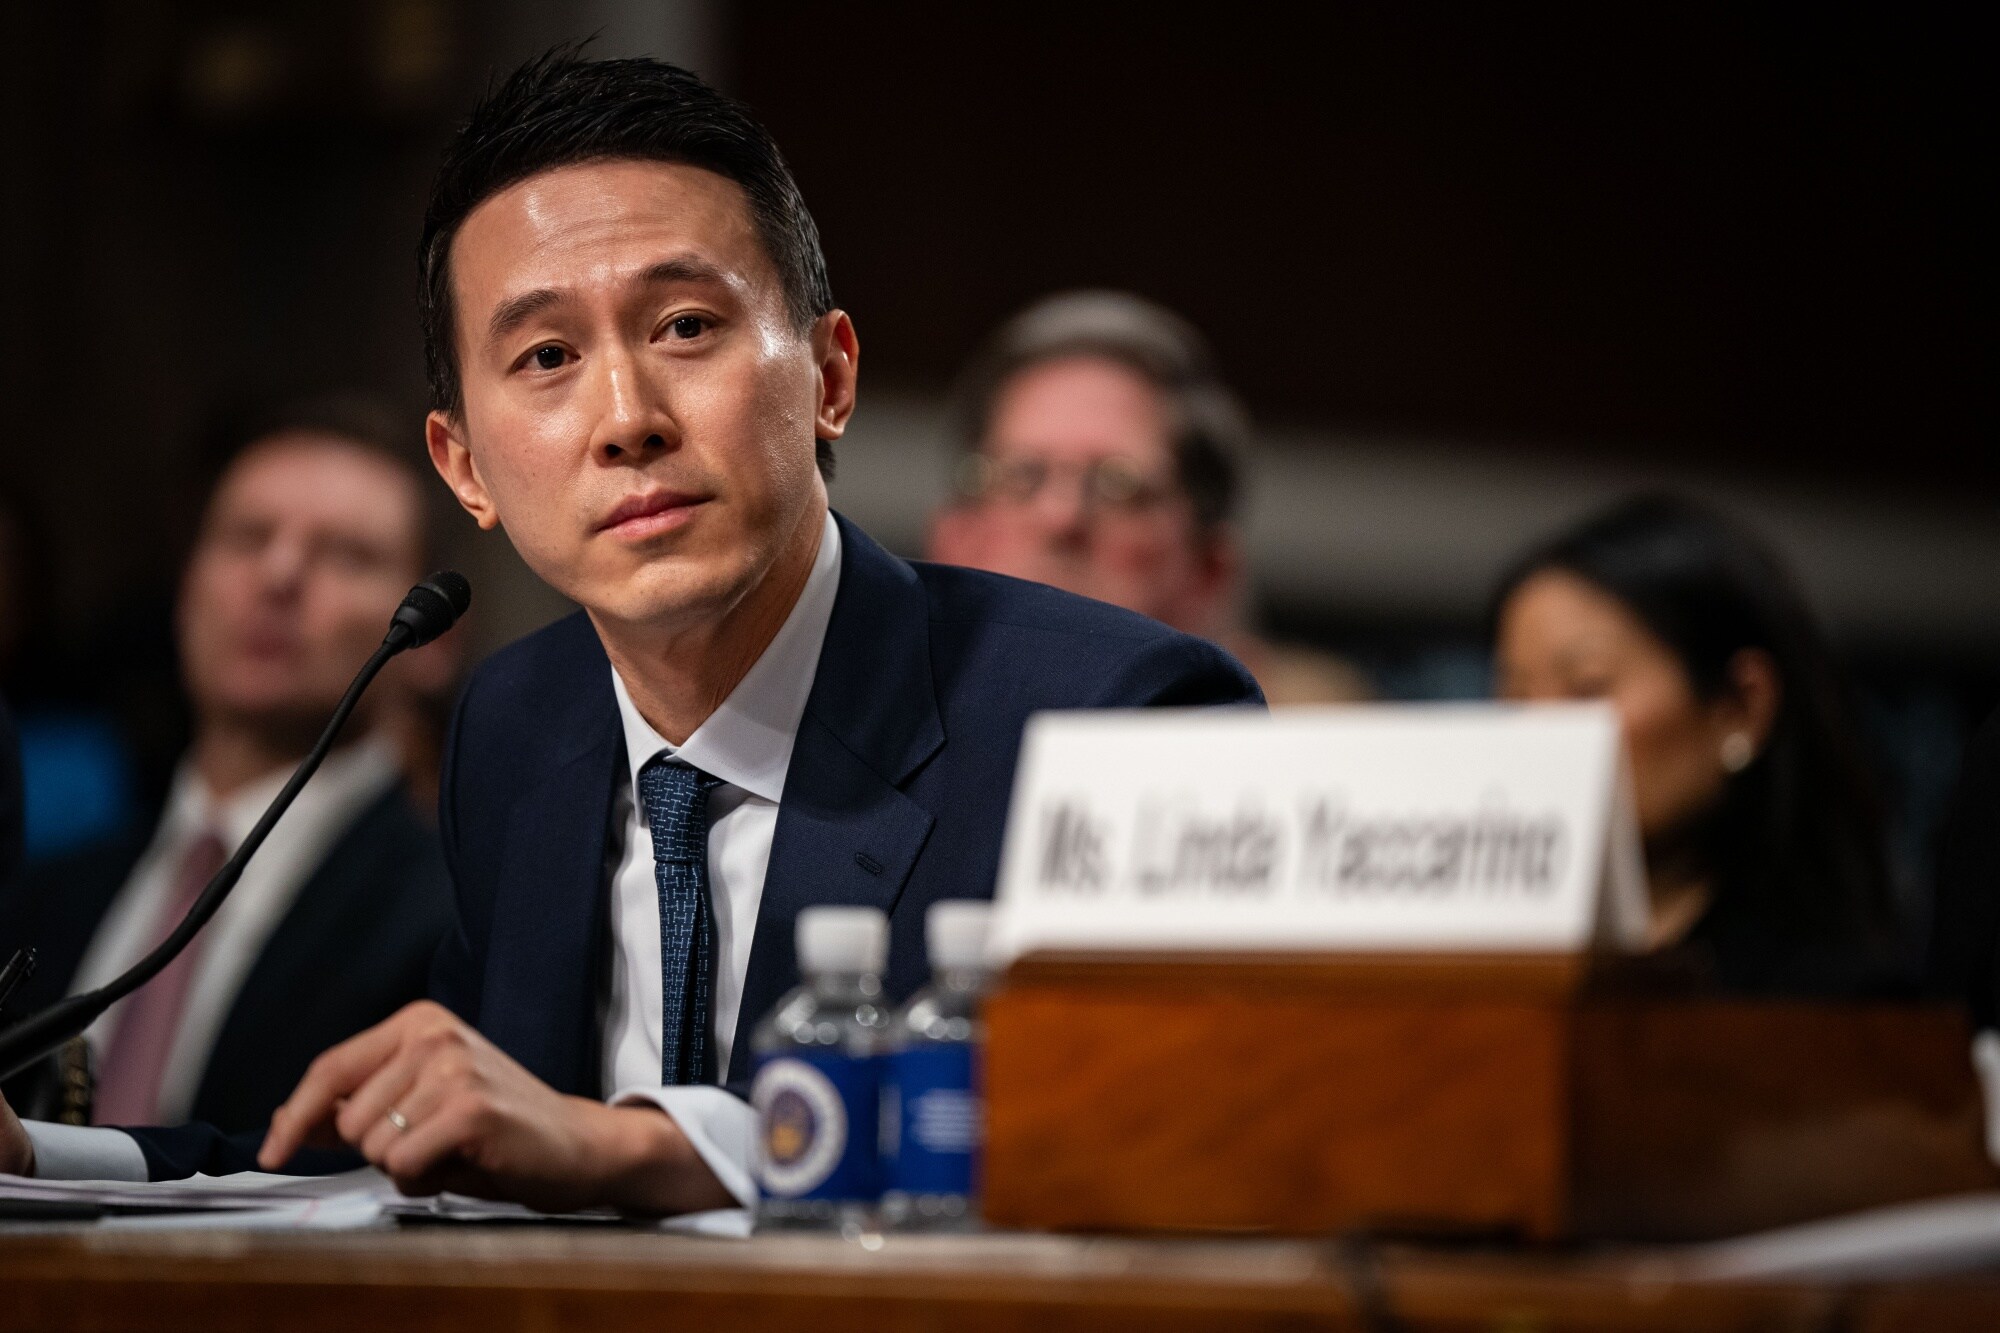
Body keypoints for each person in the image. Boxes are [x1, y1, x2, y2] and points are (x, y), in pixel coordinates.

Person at [0, 53, 1259, 1213]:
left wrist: (650, 1144)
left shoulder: (1102, 719)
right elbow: (431, 1150)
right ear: (466, 468)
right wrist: (45, 1155)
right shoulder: (517, 727)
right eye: (545, 355)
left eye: (685, 328)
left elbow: (1175, 1116)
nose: (626, 418)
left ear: (828, 377)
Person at [0, 408, 455, 1135]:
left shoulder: (454, 921)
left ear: (434, 640)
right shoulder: (44, 896)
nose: (279, 575)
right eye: (246, 538)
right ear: (186, 588)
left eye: (345, 554)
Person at [1490, 493, 1907, 994]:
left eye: (1587, 689)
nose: (1540, 730)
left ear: (1740, 707)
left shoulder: (1835, 1003)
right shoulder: (1481, 972)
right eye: (1515, 697)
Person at [927, 290, 1369, 704]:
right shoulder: (874, 736)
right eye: (1021, 475)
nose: (1060, 516)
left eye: (1119, 485)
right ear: (955, 541)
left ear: (1208, 572)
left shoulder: (1311, 741)